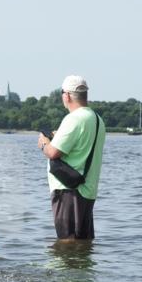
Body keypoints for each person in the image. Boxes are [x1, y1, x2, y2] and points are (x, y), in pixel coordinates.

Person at [37, 76, 106, 240]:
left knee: (67, 243)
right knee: (83, 244)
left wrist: (44, 143)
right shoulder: (97, 119)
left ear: (66, 95)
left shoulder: (74, 119)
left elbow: (53, 153)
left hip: (69, 191)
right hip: (87, 191)